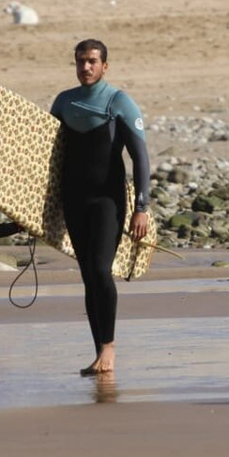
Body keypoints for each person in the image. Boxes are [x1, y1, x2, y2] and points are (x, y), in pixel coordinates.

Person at [51, 39, 151, 376]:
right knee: (88, 276)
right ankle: (99, 352)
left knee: (99, 269)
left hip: (108, 200)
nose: (86, 67)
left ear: (105, 66)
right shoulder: (64, 102)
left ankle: (108, 347)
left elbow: (140, 158)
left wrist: (142, 207)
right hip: (73, 199)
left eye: (92, 61)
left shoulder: (118, 102)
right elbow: (48, 157)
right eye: (81, 61)